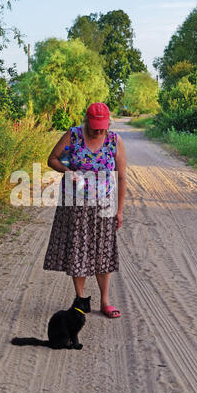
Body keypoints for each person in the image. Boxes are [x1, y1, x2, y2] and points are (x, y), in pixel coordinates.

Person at [43, 103, 127, 318]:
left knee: (103, 251)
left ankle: (105, 301)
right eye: (95, 127)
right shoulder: (73, 135)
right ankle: (80, 301)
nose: (98, 131)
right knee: (79, 250)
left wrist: (119, 210)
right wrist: (68, 169)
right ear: (87, 121)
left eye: (102, 127)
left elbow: (122, 177)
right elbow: (52, 159)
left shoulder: (114, 140)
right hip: (76, 206)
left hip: (104, 205)